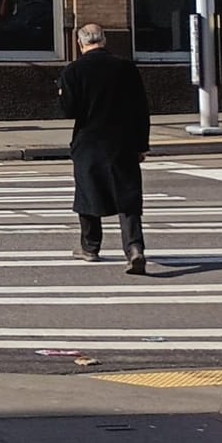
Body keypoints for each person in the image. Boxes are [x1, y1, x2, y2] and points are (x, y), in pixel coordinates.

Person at [59, 23, 151, 274]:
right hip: (123, 142)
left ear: (80, 43)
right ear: (104, 40)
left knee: (87, 193)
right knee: (128, 198)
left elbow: (69, 111)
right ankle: (134, 248)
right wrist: (142, 144)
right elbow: (141, 109)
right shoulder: (126, 67)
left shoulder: (73, 71)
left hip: (89, 142)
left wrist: (62, 93)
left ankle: (90, 247)